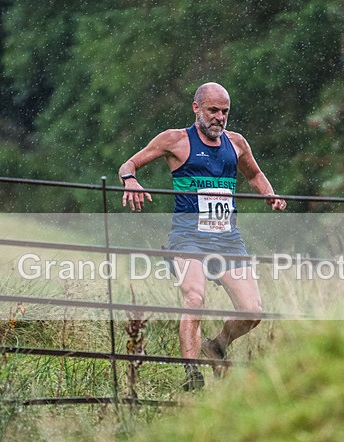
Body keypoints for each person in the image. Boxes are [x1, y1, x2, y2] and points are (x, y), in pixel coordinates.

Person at [117, 82, 287, 391]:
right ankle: (192, 374)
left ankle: (217, 345)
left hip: (227, 240)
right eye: (213, 110)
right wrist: (130, 180)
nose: (219, 118)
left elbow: (255, 175)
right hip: (188, 237)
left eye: (224, 112)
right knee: (195, 299)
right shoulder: (176, 140)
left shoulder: (236, 144)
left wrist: (269, 195)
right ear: (196, 108)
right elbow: (128, 164)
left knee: (253, 312)